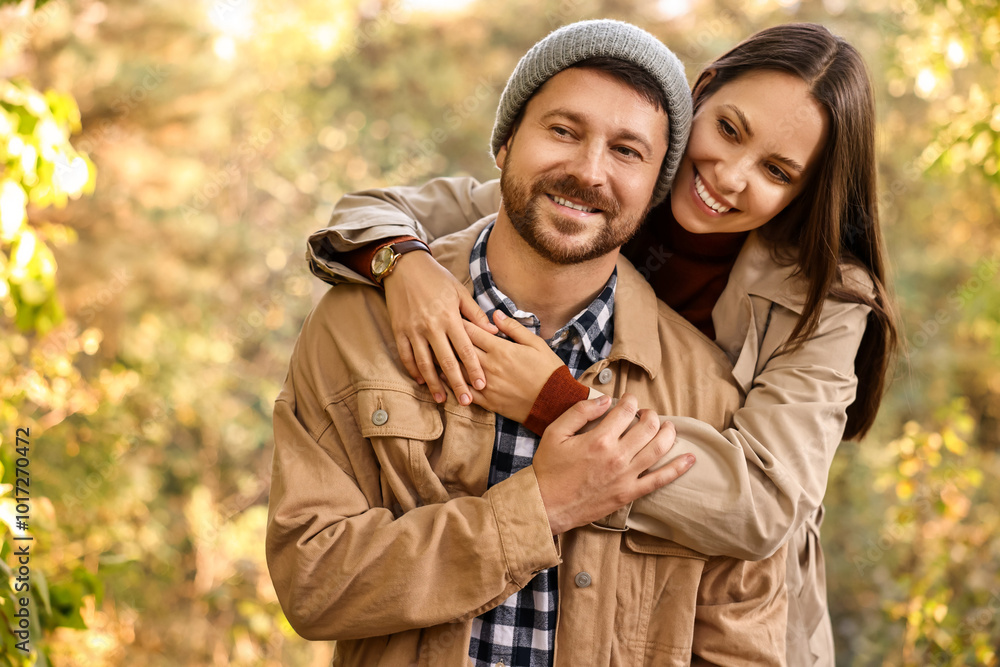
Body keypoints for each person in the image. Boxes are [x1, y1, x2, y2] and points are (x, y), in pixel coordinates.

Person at [305, 21, 899, 666]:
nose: (729, 177)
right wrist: (404, 265)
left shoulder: (829, 298)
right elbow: (375, 209)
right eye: (728, 129)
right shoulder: (598, 193)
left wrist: (553, 400)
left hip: (698, 585)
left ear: (807, 190)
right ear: (701, 94)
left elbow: (761, 504)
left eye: (777, 171)